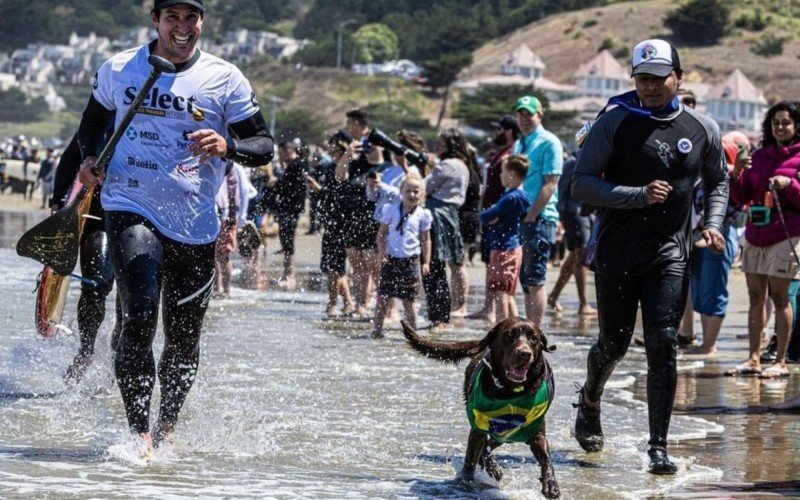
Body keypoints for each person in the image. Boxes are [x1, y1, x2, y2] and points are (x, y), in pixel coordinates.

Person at [76, 0, 274, 455]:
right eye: (172, 19)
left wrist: (228, 145)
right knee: (140, 316)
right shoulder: (120, 68)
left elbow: (263, 145)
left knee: (184, 335)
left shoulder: (225, 78)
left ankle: (167, 425)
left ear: (202, 23)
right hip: (130, 202)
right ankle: (138, 432)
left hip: (194, 221)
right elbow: (91, 124)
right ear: (156, 21)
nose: (182, 29)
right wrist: (89, 158)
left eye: (191, 19)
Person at [570, 39, 728, 474]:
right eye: (643, 79)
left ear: (678, 76)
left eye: (660, 78)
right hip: (618, 252)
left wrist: (712, 223)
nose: (652, 87)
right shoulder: (615, 122)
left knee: (663, 343)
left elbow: (718, 181)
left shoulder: (702, 127)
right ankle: (589, 399)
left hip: (670, 254)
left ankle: (658, 446)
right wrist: (636, 195)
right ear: (634, 80)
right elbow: (581, 184)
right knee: (614, 342)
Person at [727, 101, 800, 379]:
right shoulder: (758, 156)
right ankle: (753, 358)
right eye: (775, 122)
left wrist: (790, 184)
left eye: (786, 122)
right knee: (756, 297)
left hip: (786, 233)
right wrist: (736, 174)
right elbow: (741, 197)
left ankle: (780, 361)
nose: (780, 127)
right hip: (755, 234)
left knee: (781, 298)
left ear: (797, 126)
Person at [50, 135, 122, 386]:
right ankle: (85, 352)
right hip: (97, 214)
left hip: (138, 216)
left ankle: (120, 355)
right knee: (96, 284)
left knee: (130, 294)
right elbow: (71, 156)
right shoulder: (101, 121)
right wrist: (58, 201)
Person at [681, 131, 749, 357]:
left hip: (720, 238)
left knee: (715, 291)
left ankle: (709, 345)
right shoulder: (711, 174)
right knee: (701, 291)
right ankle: (705, 342)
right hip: (699, 238)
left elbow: (736, 207)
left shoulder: (734, 177)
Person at [512, 95, 563, 328]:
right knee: (525, 279)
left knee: (536, 279)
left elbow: (551, 183)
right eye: (520, 114)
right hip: (520, 217)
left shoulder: (549, 142)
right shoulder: (520, 142)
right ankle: (528, 327)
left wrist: (532, 214)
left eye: (528, 114)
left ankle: (535, 331)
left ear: (539, 116)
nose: (523, 118)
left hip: (540, 218)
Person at [469, 115, 520, 323]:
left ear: (508, 131)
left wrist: (495, 213)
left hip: (500, 219)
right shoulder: (502, 152)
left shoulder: (512, 153)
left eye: (499, 129)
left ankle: (497, 314)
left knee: (500, 271)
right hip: (493, 217)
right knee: (491, 265)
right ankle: (488, 308)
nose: (495, 133)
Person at [370, 173, 432, 338]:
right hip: (390, 259)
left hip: (411, 261)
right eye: (408, 190)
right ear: (401, 191)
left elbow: (426, 239)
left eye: (416, 191)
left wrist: (426, 262)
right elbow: (382, 234)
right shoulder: (390, 210)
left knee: (409, 300)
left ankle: (414, 335)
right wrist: (382, 253)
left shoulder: (423, 214)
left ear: (421, 193)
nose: (412, 194)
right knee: (383, 296)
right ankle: (377, 330)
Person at [422, 128, 470, 330]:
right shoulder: (463, 166)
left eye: (441, 142)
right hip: (450, 216)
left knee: (433, 267)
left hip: (437, 217)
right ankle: (443, 314)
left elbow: (424, 187)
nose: (437, 145)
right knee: (448, 264)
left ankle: (438, 316)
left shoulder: (447, 165)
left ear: (451, 145)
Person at [479, 155, 531, 322]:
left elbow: (486, 216)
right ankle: (516, 328)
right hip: (511, 247)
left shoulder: (511, 197)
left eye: (502, 172)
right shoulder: (520, 195)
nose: (500, 176)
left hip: (505, 250)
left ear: (512, 174)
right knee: (507, 293)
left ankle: (502, 327)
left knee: (501, 291)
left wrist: (492, 212)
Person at [547, 142, 596, 316]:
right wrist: (559, 217)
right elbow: (560, 190)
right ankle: (583, 303)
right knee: (580, 254)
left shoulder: (595, 160)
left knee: (575, 256)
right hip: (573, 212)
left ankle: (553, 296)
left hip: (587, 212)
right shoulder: (573, 162)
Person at [311, 129, 355, 317]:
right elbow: (331, 195)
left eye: (332, 142)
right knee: (333, 265)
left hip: (343, 222)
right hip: (331, 221)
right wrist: (318, 190)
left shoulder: (350, 168)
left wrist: (320, 191)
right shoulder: (329, 167)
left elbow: (344, 196)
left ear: (342, 146)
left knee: (334, 266)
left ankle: (332, 304)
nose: (328, 146)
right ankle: (348, 303)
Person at [273, 140, 308, 290]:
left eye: (282, 152)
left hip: (292, 208)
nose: (281, 155)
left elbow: (297, 188)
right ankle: (287, 273)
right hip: (287, 207)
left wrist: (278, 182)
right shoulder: (291, 165)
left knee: (288, 240)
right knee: (285, 238)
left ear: (290, 149)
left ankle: (290, 274)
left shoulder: (298, 164)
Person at [213, 162, 249, 297]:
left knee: (224, 255)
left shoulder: (232, 167)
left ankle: (226, 290)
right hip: (214, 214)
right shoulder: (213, 162)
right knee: (214, 255)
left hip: (226, 216)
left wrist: (238, 215)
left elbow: (241, 191)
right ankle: (217, 289)